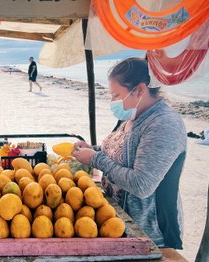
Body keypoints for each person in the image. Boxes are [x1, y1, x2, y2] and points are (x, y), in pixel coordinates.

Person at [72, 58, 186, 249]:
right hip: (117, 223)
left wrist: (95, 159)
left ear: (140, 90)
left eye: (116, 95)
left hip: (149, 236)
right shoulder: (132, 115)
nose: (112, 101)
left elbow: (141, 184)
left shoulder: (163, 124)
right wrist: (93, 149)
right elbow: (119, 153)